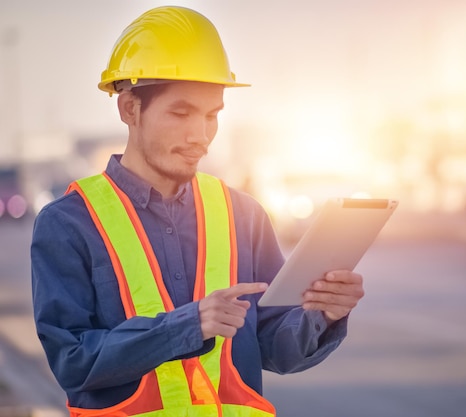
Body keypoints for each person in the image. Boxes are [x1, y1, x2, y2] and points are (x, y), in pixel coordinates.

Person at [31, 6, 364, 416]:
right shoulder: (68, 223)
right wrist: (188, 325)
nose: (201, 135)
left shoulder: (244, 215)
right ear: (129, 108)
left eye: (212, 115)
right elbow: (72, 362)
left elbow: (275, 347)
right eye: (181, 112)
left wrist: (323, 314)